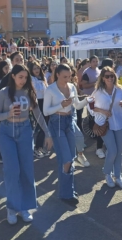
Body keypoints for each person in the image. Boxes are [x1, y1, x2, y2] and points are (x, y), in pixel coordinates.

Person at [0, 64, 52, 224]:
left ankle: (24, 207)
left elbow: (37, 113)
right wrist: (9, 113)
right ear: (13, 76)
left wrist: (47, 133)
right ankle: (12, 208)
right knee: (12, 171)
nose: (23, 80)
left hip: (25, 131)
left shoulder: (28, 91)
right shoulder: (4, 92)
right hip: (7, 132)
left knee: (27, 171)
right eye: (20, 77)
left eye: (25, 77)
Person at [43, 64, 88, 205]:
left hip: (69, 122)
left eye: (69, 76)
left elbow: (77, 105)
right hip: (56, 123)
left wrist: (88, 99)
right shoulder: (50, 89)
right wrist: (60, 105)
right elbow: (45, 112)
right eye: (65, 77)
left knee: (70, 158)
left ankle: (67, 191)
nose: (68, 79)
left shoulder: (72, 86)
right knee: (67, 160)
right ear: (57, 75)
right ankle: (66, 193)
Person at [90, 66, 122, 189]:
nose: (110, 78)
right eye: (107, 76)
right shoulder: (97, 92)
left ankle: (118, 176)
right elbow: (90, 107)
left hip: (119, 123)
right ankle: (107, 173)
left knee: (119, 151)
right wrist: (102, 111)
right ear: (102, 78)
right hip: (104, 124)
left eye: (112, 76)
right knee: (112, 150)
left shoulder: (120, 90)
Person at [29, 61, 49, 158]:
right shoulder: (31, 79)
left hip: (45, 103)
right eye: (34, 68)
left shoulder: (43, 78)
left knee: (45, 126)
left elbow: (47, 90)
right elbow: (34, 91)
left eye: (38, 68)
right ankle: (36, 148)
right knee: (40, 126)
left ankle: (41, 147)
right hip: (36, 103)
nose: (36, 70)